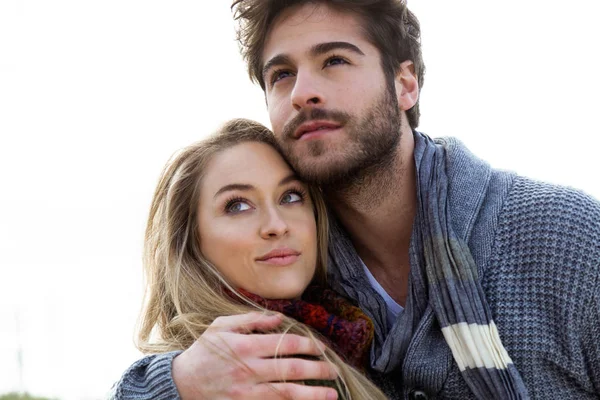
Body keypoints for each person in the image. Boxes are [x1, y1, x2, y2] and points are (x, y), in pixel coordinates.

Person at [114, 1, 600, 399]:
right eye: (281, 75)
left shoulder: (565, 237)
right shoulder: (289, 284)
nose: (303, 92)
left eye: (335, 60)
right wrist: (177, 384)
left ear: (405, 83)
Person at [110, 118, 389, 400]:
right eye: (238, 205)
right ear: (192, 241)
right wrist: (172, 385)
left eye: (290, 197)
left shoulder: (368, 336)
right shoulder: (222, 380)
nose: (277, 225)